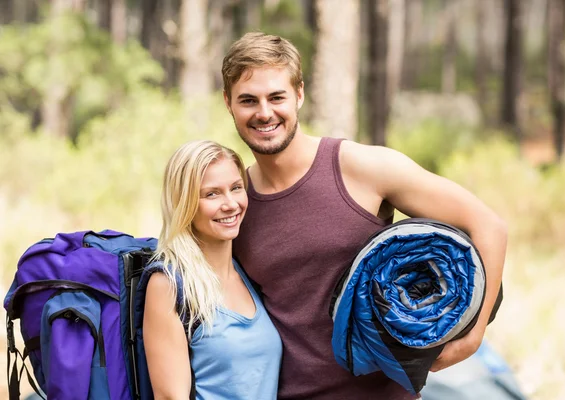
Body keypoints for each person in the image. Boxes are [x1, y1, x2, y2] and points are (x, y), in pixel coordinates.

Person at [223, 32, 508, 400]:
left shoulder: (360, 167)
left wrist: (472, 337)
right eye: (248, 100)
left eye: (276, 96)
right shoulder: (234, 205)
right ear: (228, 102)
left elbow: (488, 226)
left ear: (299, 95)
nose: (264, 113)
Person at [143, 140, 282, 399]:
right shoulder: (168, 285)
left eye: (236, 188)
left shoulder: (247, 274)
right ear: (184, 203)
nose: (231, 204)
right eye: (212, 194)